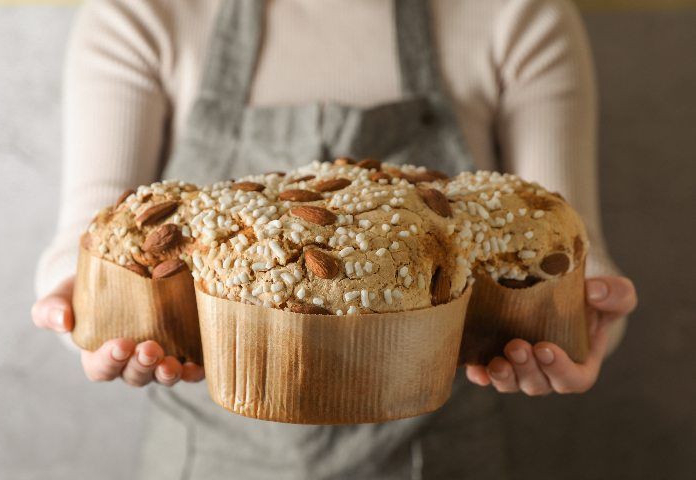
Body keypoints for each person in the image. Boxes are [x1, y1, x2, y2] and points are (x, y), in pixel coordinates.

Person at [31, 0, 637, 478]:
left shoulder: (519, 15)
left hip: (440, 457)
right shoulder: (142, 13)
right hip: (205, 458)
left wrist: (587, 317)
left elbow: (567, 244)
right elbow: (93, 238)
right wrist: (80, 309)